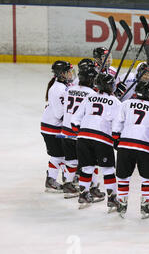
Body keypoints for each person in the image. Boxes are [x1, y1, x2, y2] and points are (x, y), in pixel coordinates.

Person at [71, 72, 121, 211]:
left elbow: (75, 120)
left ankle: (83, 194)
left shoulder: (89, 97)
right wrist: (116, 138)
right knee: (108, 170)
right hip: (102, 139)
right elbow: (117, 125)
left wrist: (80, 132)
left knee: (87, 168)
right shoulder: (116, 102)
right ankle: (112, 199)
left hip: (83, 137)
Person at [112, 80, 149, 219]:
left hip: (125, 145)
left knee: (123, 176)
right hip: (145, 147)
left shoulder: (126, 104)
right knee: (147, 178)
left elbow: (118, 122)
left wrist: (116, 137)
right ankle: (145, 206)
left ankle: (122, 203)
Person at [61, 58, 100, 199]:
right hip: (80, 132)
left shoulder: (69, 89)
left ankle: (68, 184)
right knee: (90, 162)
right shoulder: (92, 94)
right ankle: (93, 188)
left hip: (65, 131)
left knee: (71, 161)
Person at [41, 61, 74, 193]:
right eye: (69, 72)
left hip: (54, 126)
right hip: (51, 127)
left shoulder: (63, 86)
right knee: (59, 156)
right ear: (61, 74)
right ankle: (51, 180)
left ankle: (64, 178)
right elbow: (60, 114)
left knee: (62, 155)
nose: (72, 74)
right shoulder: (57, 89)